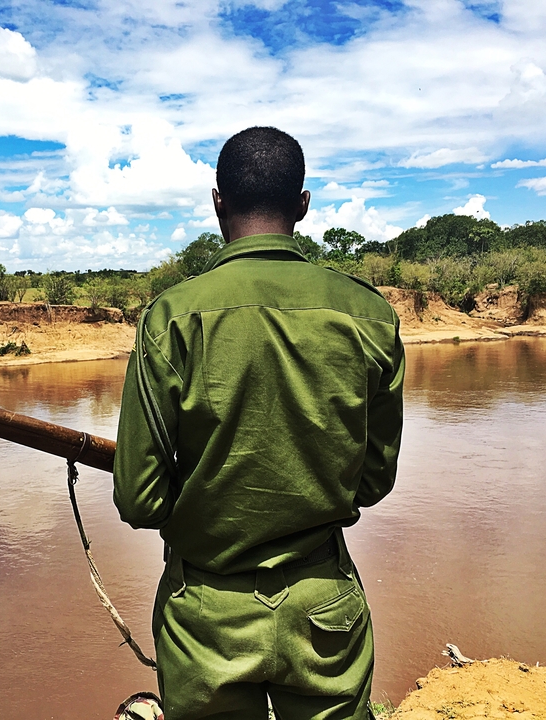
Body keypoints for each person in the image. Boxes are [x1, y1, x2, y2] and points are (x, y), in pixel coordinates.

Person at [113, 126, 404, 720]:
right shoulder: (369, 314)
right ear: (302, 203)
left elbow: (139, 499)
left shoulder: (171, 318)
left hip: (205, 618)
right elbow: (373, 482)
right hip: (326, 609)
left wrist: (206, 500)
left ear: (217, 200)